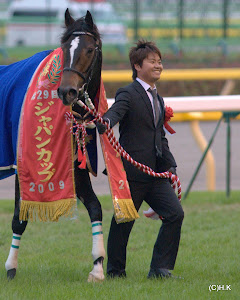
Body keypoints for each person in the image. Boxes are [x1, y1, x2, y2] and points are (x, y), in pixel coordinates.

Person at [98, 39, 184, 279]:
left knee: (175, 214)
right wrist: (106, 122)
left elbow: (160, 138)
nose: (158, 66)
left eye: (160, 62)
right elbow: (115, 113)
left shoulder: (158, 98)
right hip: (132, 174)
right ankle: (116, 272)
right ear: (137, 65)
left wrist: (171, 166)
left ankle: (159, 270)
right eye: (152, 61)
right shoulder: (128, 92)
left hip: (155, 175)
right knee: (123, 223)